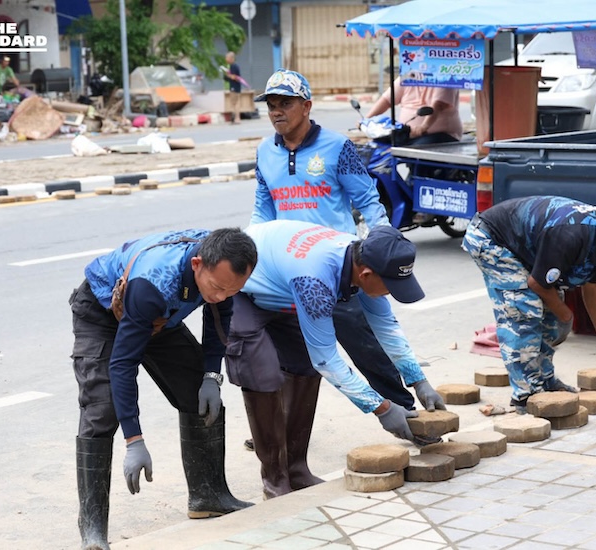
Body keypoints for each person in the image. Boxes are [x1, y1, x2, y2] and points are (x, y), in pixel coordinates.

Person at [226, 220, 446, 499]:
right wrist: (381, 408)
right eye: (390, 285)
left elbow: (385, 326)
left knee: (304, 368)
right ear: (366, 274)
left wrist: (419, 380)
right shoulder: (315, 280)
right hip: (245, 290)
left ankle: (296, 469)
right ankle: (275, 480)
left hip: (284, 288)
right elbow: (327, 360)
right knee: (263, 375)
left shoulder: (363, 258)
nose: (391, 291)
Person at [69, 227, 257, 550]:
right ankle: (93, 531)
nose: (223, 296)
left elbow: (218, 319)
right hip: (102, 315)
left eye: (232, 290)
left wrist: (212, 375)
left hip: (159, 319)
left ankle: (208, 495)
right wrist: (134, 440)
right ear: (197, 264)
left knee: (197, 391)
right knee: (102, 410)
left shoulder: (223, 267)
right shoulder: (154, 284)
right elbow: (122, 364)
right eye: (217, 288)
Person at [251, 69, 418, 415]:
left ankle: (406, 410)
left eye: (285, 103)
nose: (277, 111)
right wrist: (251, 255)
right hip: (287, 269)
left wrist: (384, 242)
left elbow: (368, 201)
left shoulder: (337, 147)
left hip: (338, 267)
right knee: (287, 353)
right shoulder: (265, 152)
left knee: (364, 342)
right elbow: (262, 210)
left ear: (307, 105)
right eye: (271, 105)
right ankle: (277, 428)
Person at [462, 196, 596, 414]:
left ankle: (545, 380)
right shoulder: (570, 235)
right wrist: (566, 315)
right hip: (491, 239)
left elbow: (593, 286)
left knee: (550, 314)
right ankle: (526, 395)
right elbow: (537, 283)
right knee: (523, 312)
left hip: (524, 246)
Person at [365, 76, 463, 145]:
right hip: (406, 132)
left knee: (419, 155)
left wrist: (424, 127)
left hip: (438, 135)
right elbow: (387, 100)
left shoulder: (444, 78)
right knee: (377, 146)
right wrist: (367, 119)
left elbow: (437, 106)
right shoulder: (408, 76)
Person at [224, 52, 242, 124]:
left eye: (227, 57)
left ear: (231, 58)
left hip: (234, 87)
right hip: (235, 86)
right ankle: (235, 117)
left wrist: (228, 75)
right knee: (235, 102)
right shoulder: (232, 66)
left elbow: (235, 77)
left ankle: (236, 118)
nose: (226, 59)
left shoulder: (234, 66)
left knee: (235, 102)